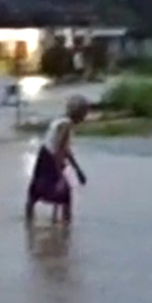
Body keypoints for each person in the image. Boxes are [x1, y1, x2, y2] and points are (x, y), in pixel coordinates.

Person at [26, 95, 89, 223]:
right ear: (78, 113)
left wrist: (77, 170)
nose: (85, 117)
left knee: (35, 193)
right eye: (84, 113)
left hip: (43, 157)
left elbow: (64, 149)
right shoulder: (66, 125)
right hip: (50, 160)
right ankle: (66, 230)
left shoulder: (60, 121)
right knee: (65, 195)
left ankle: (29, 225)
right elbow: (59, 151)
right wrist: (60, 177)